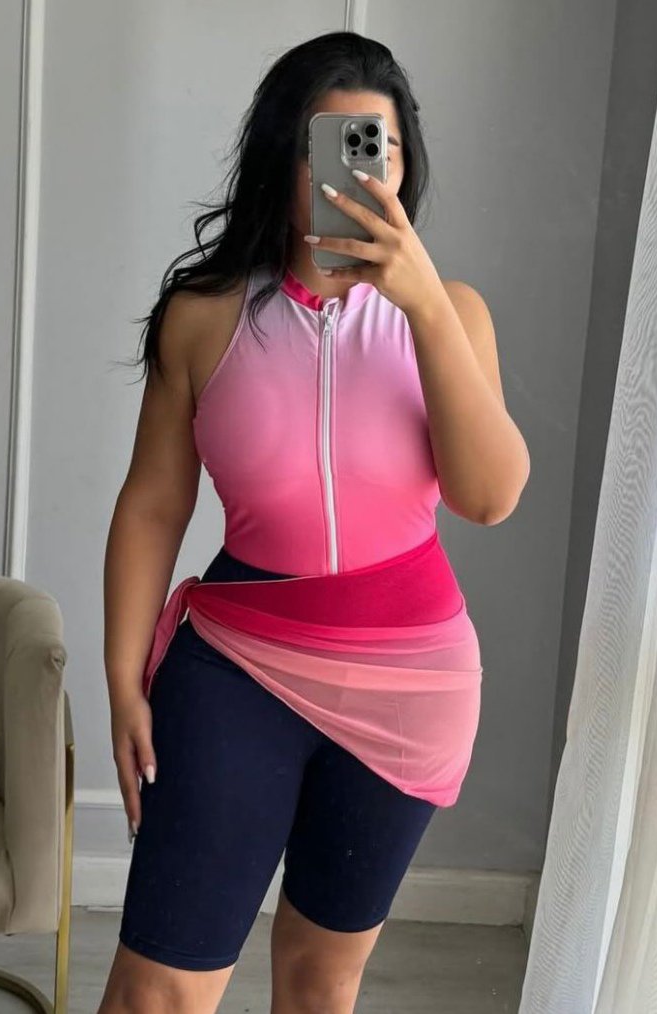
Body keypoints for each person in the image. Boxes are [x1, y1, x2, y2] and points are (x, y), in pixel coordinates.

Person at [98, 30, 529, 1014]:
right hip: (237, 670)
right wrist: (123, 679)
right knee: (156, 992)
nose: (353, 176)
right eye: (325, 147)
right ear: (280, 159)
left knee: (320, 982)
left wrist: (423, 306)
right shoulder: (203, 316)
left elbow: (490, 496)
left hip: (410, 689)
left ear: (404, 165)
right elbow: (154, 503)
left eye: (377, 148)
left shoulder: (452, 315)